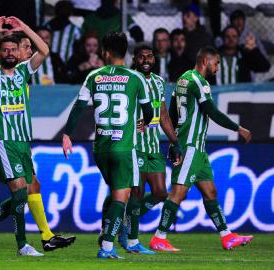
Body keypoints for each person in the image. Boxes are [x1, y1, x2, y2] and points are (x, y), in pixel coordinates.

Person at [0, 30, 75, 253]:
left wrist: (24, 27)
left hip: (23, 141)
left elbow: (44, 50)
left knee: (24, 192)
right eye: (5, 50)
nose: (10, 53)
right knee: (12, 191)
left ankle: (15, 239)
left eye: (14, 49)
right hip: (2, 140)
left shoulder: (23, 73)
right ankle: (9, 239)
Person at [149, 46, 254, 252]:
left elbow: (171, 112)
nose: (217, 68)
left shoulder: (183, 79)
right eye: (216, 63)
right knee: (178, 194)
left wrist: (173, 141)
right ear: (205, 61)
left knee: (210, 192)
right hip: (190, 146)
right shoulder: (199, 81)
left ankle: (227, 236)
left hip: (196, 148)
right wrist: (238, 128)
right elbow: (211, 112)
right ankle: (159, 237)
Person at [62, 31, 153, 259]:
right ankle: (107, 246)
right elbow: (149, 112)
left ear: (105, 52)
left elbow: (79, 107)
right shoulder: (136, 78)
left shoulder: (94, 76)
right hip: (124, 147)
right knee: (122, 197)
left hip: (100, 149)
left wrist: (67, 134)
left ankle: (111, 235)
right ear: (126, 52)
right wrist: (142, 122)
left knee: (117, 194)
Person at [118, 43, 183, 254]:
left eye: (150, 56)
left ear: (154, 60)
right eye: (141, 57)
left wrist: (175, 141)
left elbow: (163, 115)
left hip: (154, 145)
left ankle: (124, 220)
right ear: (135, 60)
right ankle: (133, 241)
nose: (146, 60)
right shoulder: (128, 79)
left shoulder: (158, 82)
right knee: (136, 192)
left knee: (160, 192)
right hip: (135, 145)